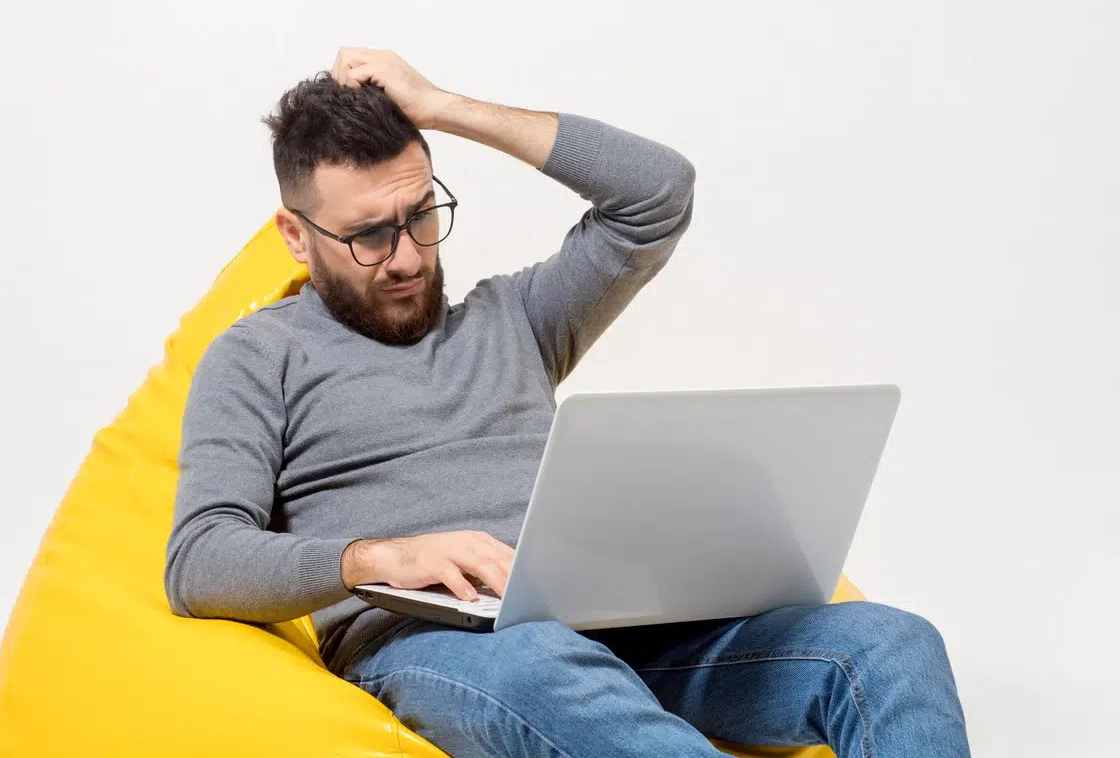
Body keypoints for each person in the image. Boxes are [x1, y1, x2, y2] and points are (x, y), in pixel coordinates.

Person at [164, 47, 970, 758]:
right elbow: (199, 561)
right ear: (297, 235)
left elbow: (657, 193)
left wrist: (443, 108)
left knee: (889, 646)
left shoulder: (516, 318)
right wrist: (382, 560)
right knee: (540, 663)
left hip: (623, 628)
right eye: (369, 234)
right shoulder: (255, 357)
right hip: (446, 645)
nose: (406, 256)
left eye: (422, 216)